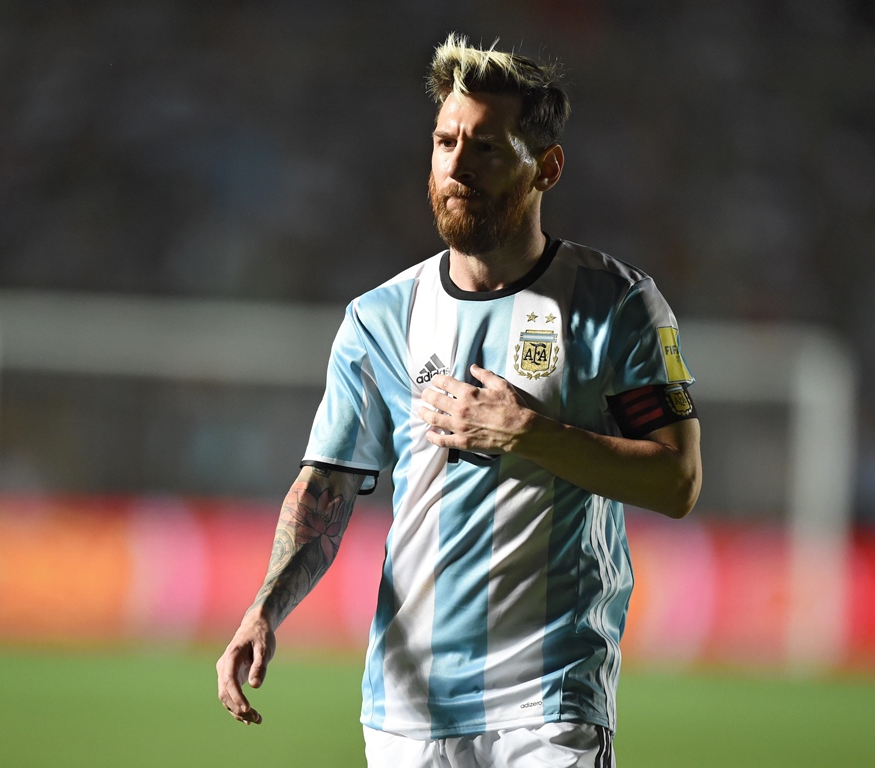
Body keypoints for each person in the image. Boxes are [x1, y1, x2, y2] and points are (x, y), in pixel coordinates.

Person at [217, 33, 701, 767]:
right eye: (446, 141)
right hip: (408, 710)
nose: (458, 165)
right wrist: (265, 608)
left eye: (487, 147)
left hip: (550, 702)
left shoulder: (618, 304)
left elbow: (678, 481)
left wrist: (528, 433)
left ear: (547, 168)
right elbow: (329, 482)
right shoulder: (379, 318)